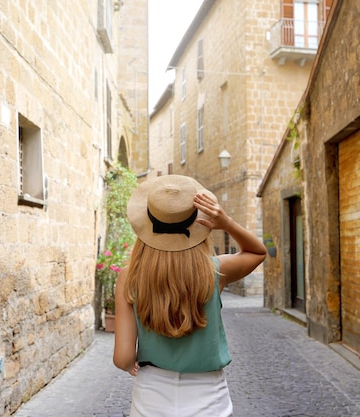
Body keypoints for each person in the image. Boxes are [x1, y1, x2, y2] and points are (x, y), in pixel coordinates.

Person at [113, 174, 267, 416]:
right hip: (209, 397)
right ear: (198, 225)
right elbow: (257, 252)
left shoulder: (128, 277)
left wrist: (135, 359)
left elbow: (123, 358)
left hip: (151, 396)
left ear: (146, 227)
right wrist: (226, 223)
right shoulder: (215, 270)